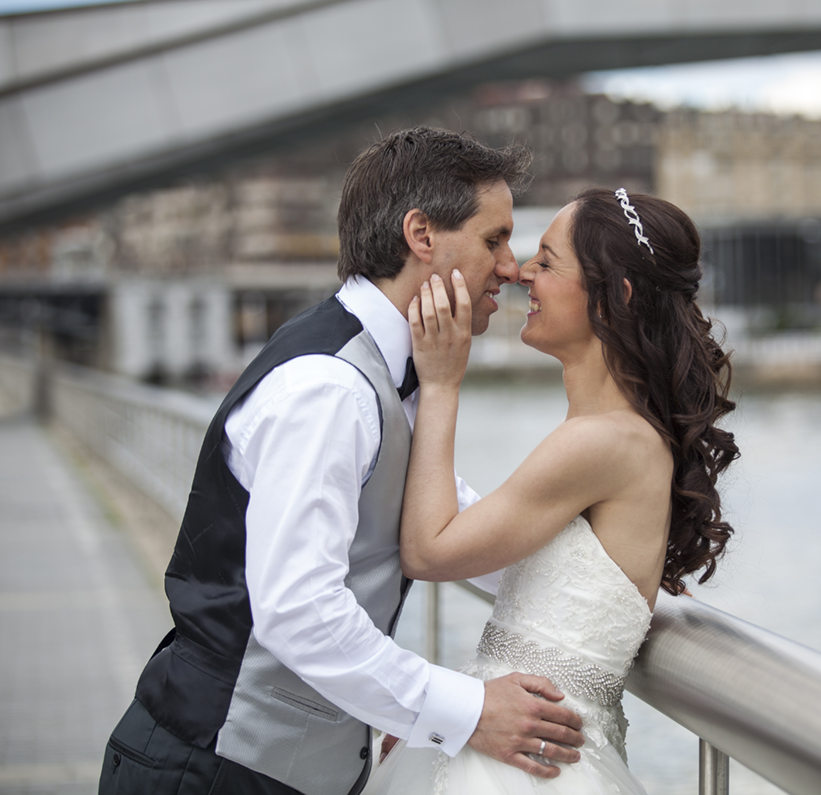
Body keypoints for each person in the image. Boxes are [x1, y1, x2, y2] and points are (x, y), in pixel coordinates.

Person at [97, 127, 586, 795]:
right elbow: (298, 609)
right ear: (422, 235)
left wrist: (601, 572)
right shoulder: (330, 388)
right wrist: (465, 712)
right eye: (493, 239)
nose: (510, 265)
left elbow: (447, 520)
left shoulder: (379, 367)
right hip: (215, 768)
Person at [363, 188, 739, 794]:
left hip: (527, 766)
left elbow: (429, 551)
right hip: (516, 741)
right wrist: (436, 717)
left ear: (616, 296)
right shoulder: (608, 436)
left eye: (546, 260)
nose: (520, 276)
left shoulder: (603, 443)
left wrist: (441, 383)